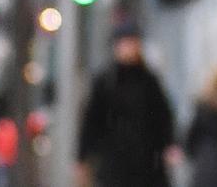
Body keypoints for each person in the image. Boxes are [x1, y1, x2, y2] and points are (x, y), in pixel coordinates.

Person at [77, 21, 180, 186]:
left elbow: (163, 116)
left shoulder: (149, 81)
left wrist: (170, 144)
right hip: (114, 162)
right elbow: (92, 121)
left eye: (131, 43)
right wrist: (82, 157)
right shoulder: (105, 82)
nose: (127, 48)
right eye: (123, 43)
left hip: (148, 162)